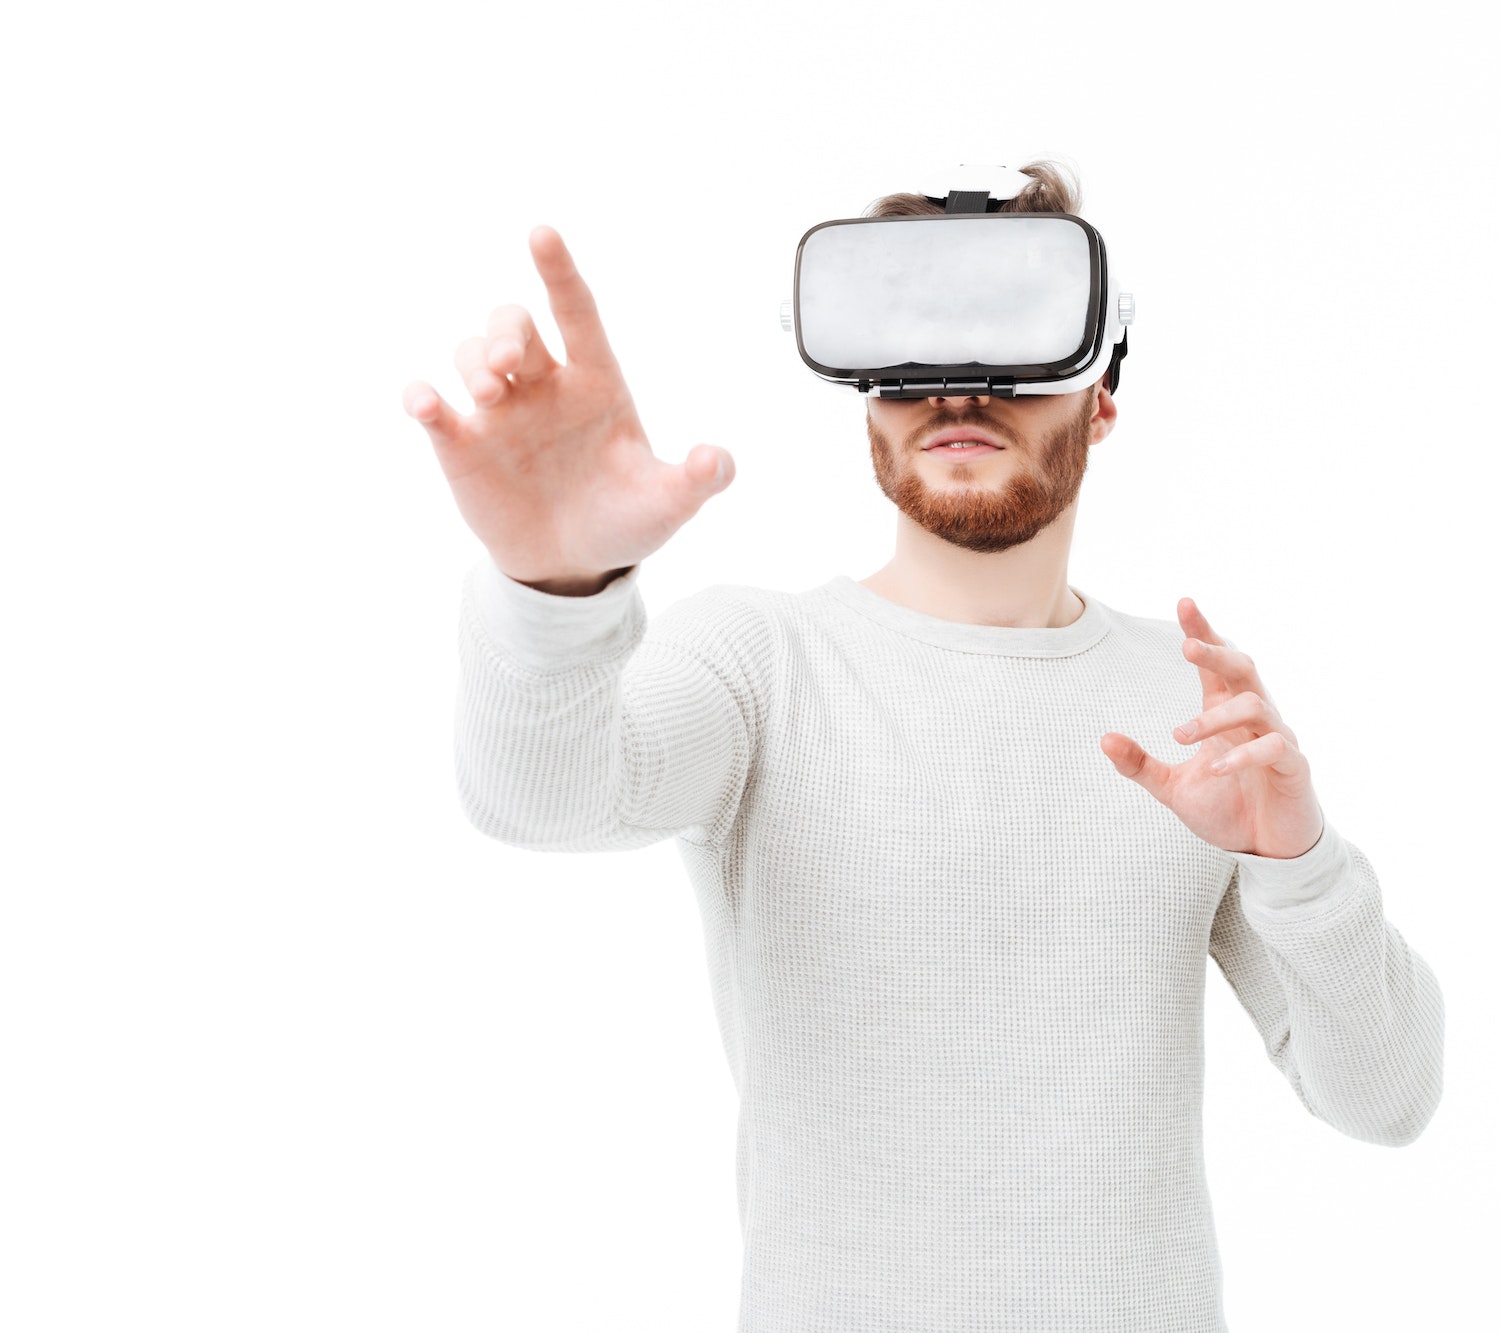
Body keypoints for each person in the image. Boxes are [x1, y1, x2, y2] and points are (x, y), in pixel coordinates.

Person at [404, 161, 1444, 1332]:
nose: (959, 389)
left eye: (1015, 342)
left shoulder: (1187, 700)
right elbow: (536, 797)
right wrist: (555, 586)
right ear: (862, 392)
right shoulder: (765, 661)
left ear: (1100, 397)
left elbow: (1387, 1095)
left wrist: (1297, 863)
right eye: (913, 351)